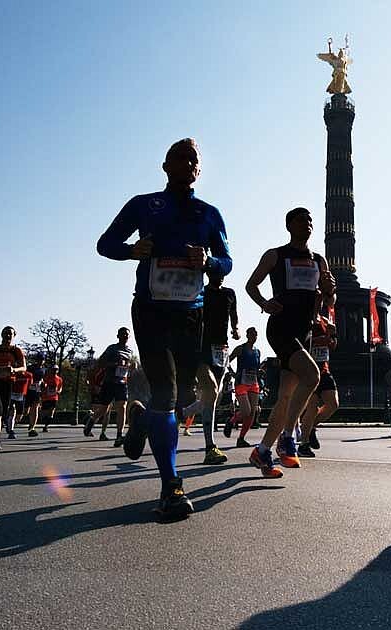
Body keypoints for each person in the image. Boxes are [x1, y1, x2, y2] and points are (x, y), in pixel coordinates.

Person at [96, 137, 232, 520]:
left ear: (199, 171)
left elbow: (227, 261)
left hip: (190, 314)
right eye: (180, 158)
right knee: (166, 391)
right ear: (165, 165)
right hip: (151, 309)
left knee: (182, 396)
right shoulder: (144, 204)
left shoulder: (209, 214)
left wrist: (209, 262)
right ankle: (171, 486)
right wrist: (132, 251)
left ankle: (142, 419)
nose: (187, 164)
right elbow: (105, 243)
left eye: (193, 160)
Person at [244, 207, 336, 476]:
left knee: (285, 398)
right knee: (312, 375)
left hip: (305, 332)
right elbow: (251, 285)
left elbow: (329, 300)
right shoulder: (275, 255)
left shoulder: (319, 260)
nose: (307, 223)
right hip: (281, 328)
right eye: (301, 219)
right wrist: (264, 303)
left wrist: (330, 291)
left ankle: (262, 452)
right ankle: (288, 438)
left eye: (310, 220)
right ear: (289, 226)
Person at [185, 270, 240, 464]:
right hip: (201, 347)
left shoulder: (230, 293)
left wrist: (235, 329)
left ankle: (180, 414)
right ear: (208, 274)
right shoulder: (200, 291)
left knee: (211, 397)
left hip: (221, 349)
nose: (220, 275)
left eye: (222, 272)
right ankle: (210, 447)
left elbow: (234, 315)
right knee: (211, 389)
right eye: (216, 272)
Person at [297, 313, 338, 457]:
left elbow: (332, 346)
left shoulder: (325, 321)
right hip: (309, 370)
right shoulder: (304, 318)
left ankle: (311, 428)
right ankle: (303, 445)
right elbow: (299, 343)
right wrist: (317, 340)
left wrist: (333, 335)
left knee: (333, 404)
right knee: (312, 408)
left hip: (324, 371)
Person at [92, 327, 134, 446]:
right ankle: (91, 420)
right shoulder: (112, 348)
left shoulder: (130, 351)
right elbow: (101, 362)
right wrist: (114, 364)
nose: (125, 336)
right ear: (118, 336)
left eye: (127, 335)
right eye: (122, 334)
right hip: (109, 382)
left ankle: (119, 436)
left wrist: (132, 367)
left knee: (122, 407)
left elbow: (128, 365)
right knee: (104, 409)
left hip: (122, 383)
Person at [228, 327, 262, 448]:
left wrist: (260, 373)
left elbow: (257, 368)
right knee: (246, 411)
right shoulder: (240, 348)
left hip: (254, 383)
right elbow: (227, 360)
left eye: (256, 334)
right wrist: (232, 373)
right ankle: (231, 421)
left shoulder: (257, 351)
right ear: (247, 335)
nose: (254, 336)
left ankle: (241, 438)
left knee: (252, 413)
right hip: (241, 382)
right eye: (252, 334)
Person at [33, 365, 63, 436]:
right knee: (44, 413)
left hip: (54, 397)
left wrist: (59, 391)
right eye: (53, 369)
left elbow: (60, 387)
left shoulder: (59, 379)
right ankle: (43, 419)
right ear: (51, 370)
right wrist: (43, 388)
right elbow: (42, 386)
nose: (55, 371)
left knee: (51, 413)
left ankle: (46, 426)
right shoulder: (46, 378)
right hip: (45, 398)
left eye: (56, 369)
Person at [22, 355, 46, 438]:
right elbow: (25, 375)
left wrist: (43, 383)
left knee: (35, 408)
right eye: (39, 359)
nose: (41, 361)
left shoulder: (44, 369)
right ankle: (12, 420)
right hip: (28, 391)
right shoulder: (30, 368)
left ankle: (32, 427)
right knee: (25, 411)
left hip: (37, 391)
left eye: (42, 360)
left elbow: (42, 379)